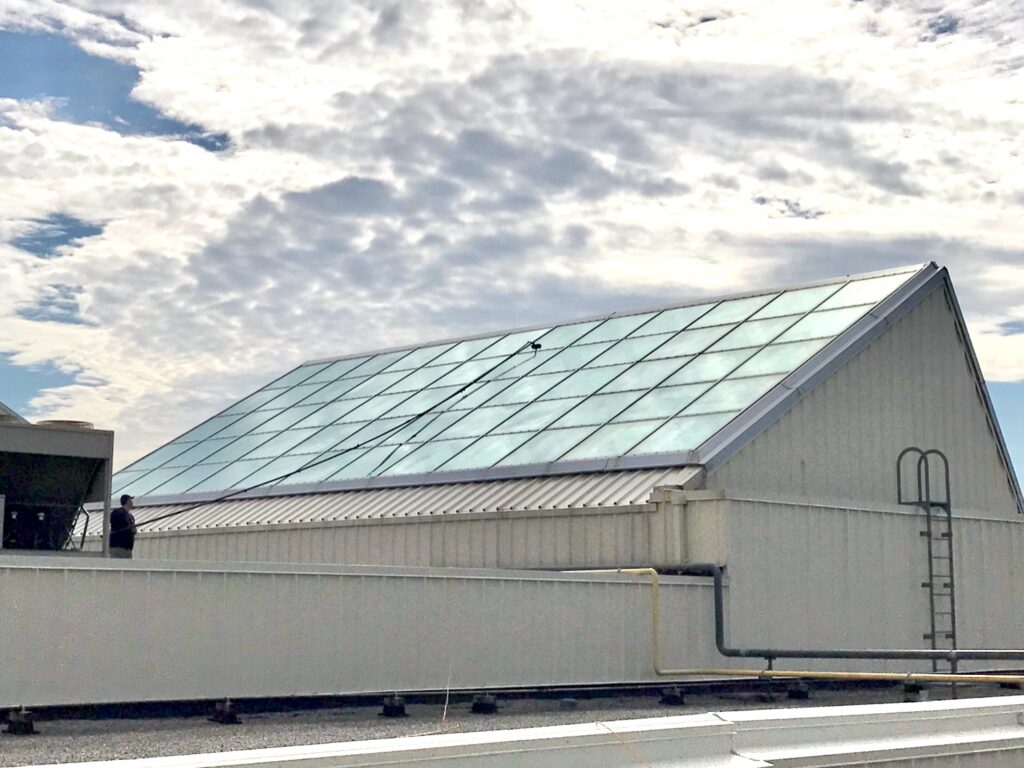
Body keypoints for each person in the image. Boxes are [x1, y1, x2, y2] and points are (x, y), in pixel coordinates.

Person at [109, 494, 137, 558]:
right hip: (118, 547)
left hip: (127, 548)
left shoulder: (130, 516)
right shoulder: (117, 513)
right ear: (127, 501)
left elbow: (133, 530)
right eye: (130, 500)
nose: (132, 502)